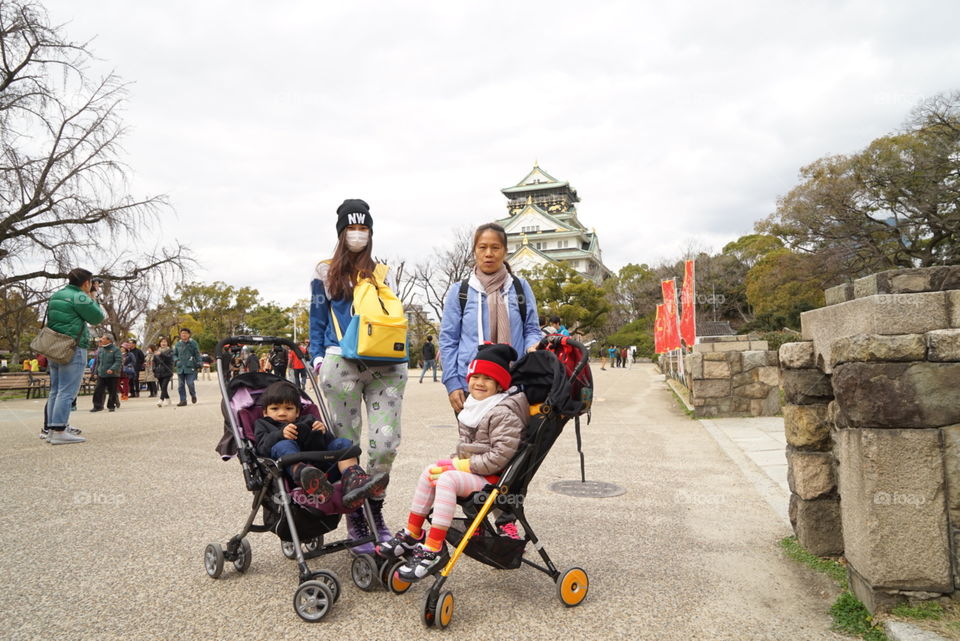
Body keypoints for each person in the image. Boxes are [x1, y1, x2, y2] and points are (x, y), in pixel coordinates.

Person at [377, 344, 527, 581]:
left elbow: (500, 456)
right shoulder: (475, 407)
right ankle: (413, 533)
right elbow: (469, 448)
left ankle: (434, 547)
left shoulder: (503, 412)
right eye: (475, 376)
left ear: (500, 384)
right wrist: (456, 462)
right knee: (431, 471)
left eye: (487, 378)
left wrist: (460, 466)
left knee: (446, 479)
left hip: (494, 477)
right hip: (477, 470)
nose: (479, 382)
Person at [309, 198, 407, 553]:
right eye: (352, 228)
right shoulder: (323, 273)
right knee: (345, 445)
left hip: (386, 365)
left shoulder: (383, 272)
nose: (358, 234)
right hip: (341, 363)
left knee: (385, 445)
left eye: (364, 228)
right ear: (341, 232)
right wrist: (318, 359)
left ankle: (376, 511)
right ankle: (356, 517)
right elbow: (316, 322)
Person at [438, 222, 540, 539]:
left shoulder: (520, 289)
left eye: (495, 247)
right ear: (474, 251)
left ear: (505, 251)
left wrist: (535, 346)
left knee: (513, 454)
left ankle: (505, 515)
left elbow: (533, 327)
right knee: (474, 450)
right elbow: (448, 339)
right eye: (482, 247)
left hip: (513, 386)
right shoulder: (461, 291)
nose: (489, 253)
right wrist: (453, 383)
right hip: (474, 386)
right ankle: (477, 515)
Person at [253, 381, 388, 510]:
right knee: (283, 445)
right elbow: (261, 448)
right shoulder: (263, 424)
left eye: (288, 408)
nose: (282, 413)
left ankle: (353, 479)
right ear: (265, 412)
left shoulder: (308, 420)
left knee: (342, 443)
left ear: (297, 412)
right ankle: (304, 475)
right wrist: (280, 434)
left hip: (324, 468)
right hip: (292, 474)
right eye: (274, 409)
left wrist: (323, 432)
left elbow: (328, 444)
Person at [42, 268, 106, 444]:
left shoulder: (57, 295)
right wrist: (93, 295)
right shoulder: (80, 297)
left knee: (56, 389)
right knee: (67, 391)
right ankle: (60, 430)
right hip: (73, 346)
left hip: (54, 345)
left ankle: (52, 429)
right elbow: (97, 317)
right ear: (86, 283)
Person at [90, 334, 121, 413]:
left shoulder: (116, 349)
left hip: (112, 374)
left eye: (103, 338)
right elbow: (98, 362)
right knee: (98, 390)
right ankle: (97, 406)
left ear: (109, 340)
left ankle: (111, 406)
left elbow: (118, 361)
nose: (101, 340)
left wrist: (112, 369)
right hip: (101, 373)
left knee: (112, 390)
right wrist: (96, 372)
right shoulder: (100, 350)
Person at [173, 328, 201, 406]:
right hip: (180, 367)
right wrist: (176, 360)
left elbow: (197, 354)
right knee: (180, 385)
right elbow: (174, 354)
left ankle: (193, 395)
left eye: (185, 333)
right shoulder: (178, 344)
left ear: (189, 334)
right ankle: (183, 400)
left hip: (190, 366)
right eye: (182, 333)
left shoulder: (193, 343)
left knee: (190, 383)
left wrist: (199, 362)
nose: (183, 334)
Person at [153, 337, 174, 407]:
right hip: (159, 372)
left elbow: (169, 358)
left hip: (167, 371)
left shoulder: (170, 351)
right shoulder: (156, 352)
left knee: (164, 385)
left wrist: (161, 354)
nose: (163, 343)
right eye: (162, 342)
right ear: (160, 343)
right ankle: (168, 399)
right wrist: (154, 370)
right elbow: (154, 362)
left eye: (165, 342)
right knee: (162, 387)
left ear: (168, 343)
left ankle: (161, 400)